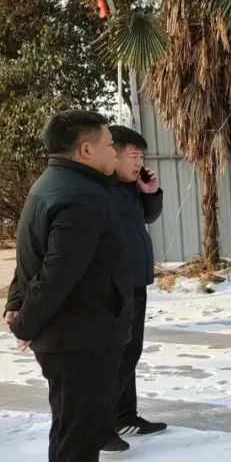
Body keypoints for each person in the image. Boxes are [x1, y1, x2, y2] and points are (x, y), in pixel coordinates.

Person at [3, 110, 133, 461]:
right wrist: (24, 323)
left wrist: (17, 303)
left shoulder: (54, 183)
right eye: (110, 144)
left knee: (70, 432)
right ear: (86, 150)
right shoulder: (81, 196)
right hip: (82, 339)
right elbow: (57, 273)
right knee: (78, 442)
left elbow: (32, 255)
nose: (115, 152)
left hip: (74, 336)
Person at [102, 126, 168, 453]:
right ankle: (100, 426)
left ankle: (125, 416)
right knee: (117, 357)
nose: (139, 162)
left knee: (130, 352)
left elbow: (147, 218)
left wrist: (150, 193)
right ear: (112, 155)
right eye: (133, 156)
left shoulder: (130, 187)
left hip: (134, 281)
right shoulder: (101, 190)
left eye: (142, 156)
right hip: (113, 285)